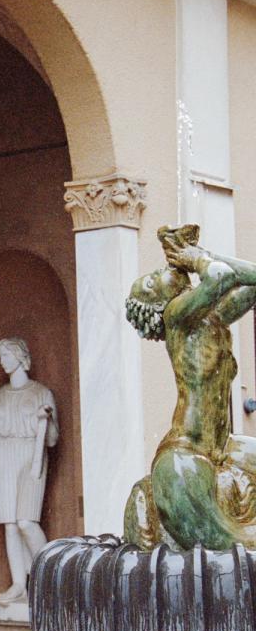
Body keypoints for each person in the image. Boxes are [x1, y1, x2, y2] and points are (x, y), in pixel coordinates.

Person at [124, 225, 256, 549]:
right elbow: (221, 277)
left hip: (223, 448)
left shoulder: (213, 319)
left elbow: (253, 278)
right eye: (153, 280)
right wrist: (196, 259)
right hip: (185, 454)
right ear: (158, 303)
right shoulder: (176, 319)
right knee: (228, 546)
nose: (163, 270)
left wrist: (202, 255)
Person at [0, 337, 58, 611]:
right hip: (4, 457)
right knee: (9, 524)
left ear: (20, 357)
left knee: (25, 522)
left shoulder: (42, 393)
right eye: (1, 356)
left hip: (32, 457)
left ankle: (47, 578)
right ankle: (19, 583)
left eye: (7, 355)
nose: (2, 361)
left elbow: (52, 440)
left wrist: (48, 419)